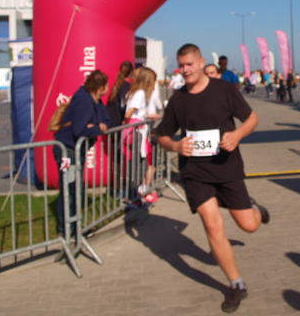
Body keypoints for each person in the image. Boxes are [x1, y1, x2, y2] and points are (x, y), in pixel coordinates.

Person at [156, 44, 269, 313]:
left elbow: (252, 118)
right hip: (195, 173)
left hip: (227, 168)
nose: (185, 70)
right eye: (181, 65)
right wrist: (175, 146)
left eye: (189, 64)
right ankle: (236, 284)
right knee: (211, 224)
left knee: (248, 225)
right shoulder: (178, 99)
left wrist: (237, 135)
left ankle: (255, 209)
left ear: (201, 62)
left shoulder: (224, 90)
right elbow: (162, 136)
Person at [53, 70, 111, 236]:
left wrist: (96, 127)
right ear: (100, 87)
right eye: (106, 85)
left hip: (78, 150)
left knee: (76, 189)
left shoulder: (96, 101)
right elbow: (79, 130)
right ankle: (67, 229)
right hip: (67, 150)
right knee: (69, 190)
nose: (108, 88)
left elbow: (107, 120)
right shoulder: (83, 101)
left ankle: (75, 226)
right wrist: (97, 129)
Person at [123, 67, 162, 200]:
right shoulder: (140, 93)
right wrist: (139, 120)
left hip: (136, 130)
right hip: (137, 131)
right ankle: (136, 194)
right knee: (139, 163)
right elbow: (129, 113)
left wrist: (146, 116)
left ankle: (138, 193)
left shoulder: (135, 92)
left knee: (139, 163)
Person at [106, 60, 134, 127]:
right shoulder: (125, 87)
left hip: (111, 121)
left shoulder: (117, 85)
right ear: (131, 72)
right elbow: (123, 105)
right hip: (117, 123)